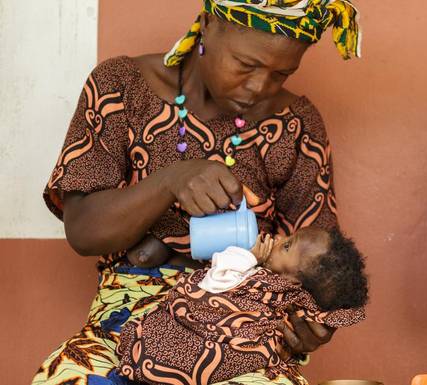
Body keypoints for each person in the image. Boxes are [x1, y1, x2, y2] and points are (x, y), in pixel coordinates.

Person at [34, 0, 361, 384]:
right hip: (123, 324)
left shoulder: (297, 127)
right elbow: (84, 231)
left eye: (281, 74)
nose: (259, 87)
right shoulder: (119, 88)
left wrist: (312, 325)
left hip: (243, 336)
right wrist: (170, 180)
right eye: (246, 65)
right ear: (207, 24)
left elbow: (321, 263)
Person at [118, 227, 368, 385]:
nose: (279, 238)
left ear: (293, 279)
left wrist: (247, 257)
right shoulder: (290, 295)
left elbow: (212, 286)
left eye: (288, 245)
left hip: (206, 344)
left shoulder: (263, 282)